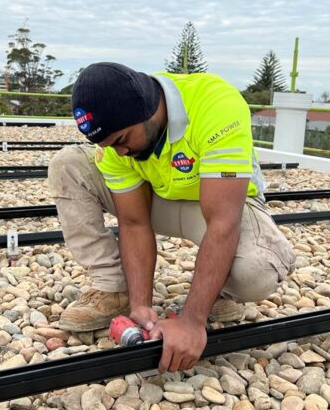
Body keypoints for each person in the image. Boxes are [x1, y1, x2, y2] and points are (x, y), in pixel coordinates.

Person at [48, 62, 295, 373]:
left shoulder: (216, 105)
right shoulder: (117, 145)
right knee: (68, 164)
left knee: (256, 273)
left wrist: (193, 320)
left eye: (122, 139)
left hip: (221, 202)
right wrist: (140, 305)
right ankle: (115, 288)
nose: (119, 152)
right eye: (110, 145)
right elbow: (134, 223)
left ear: (148, 111)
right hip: (160, 194)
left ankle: (220, 293)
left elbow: (223, 222)